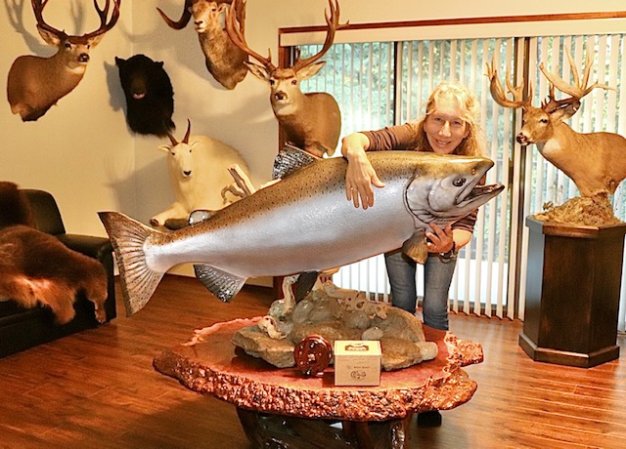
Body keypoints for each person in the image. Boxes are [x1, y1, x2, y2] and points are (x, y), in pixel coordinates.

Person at [340, 82, 485, 426]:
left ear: (467, 129)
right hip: (398, 237)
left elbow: (466, 225)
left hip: (441, 243)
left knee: (435, 309)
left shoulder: (471, 165)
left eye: (456, 123)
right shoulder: (409, 135)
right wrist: (357, 157)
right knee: (401, 304)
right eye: (438, 120)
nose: (445, 131)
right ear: (426, 117)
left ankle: (431, 393)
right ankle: (397, 383)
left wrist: (449, 244)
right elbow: (355, 140)